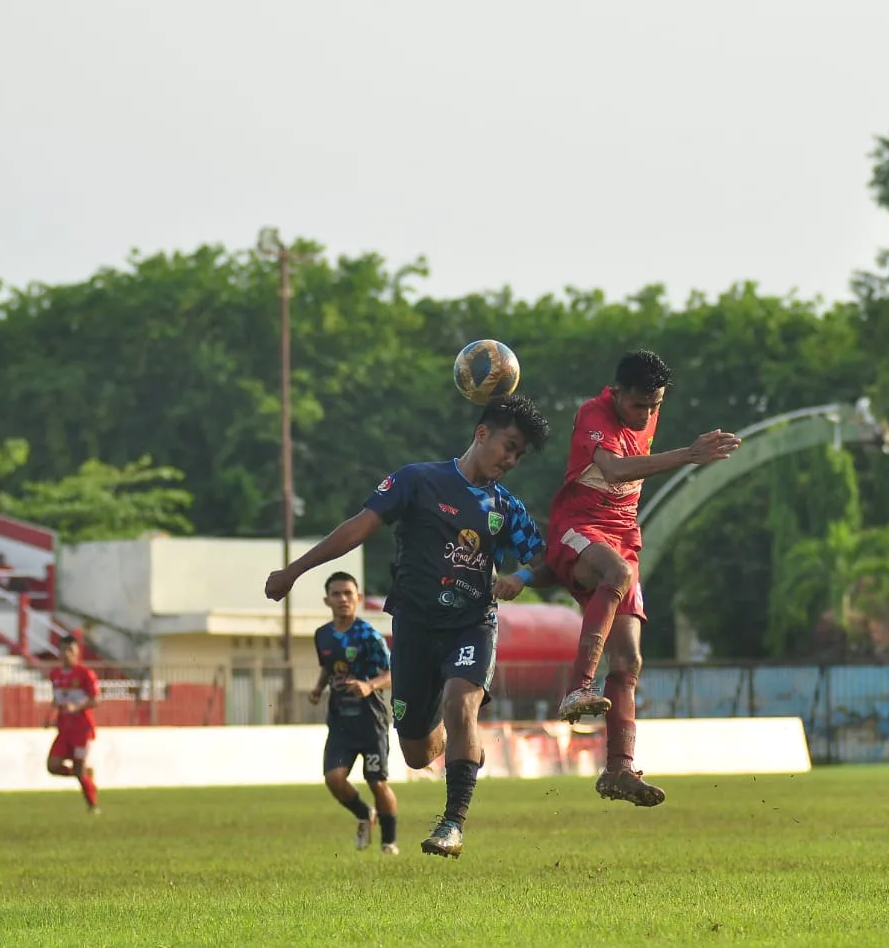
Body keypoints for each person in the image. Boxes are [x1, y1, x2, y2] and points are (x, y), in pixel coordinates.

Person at [265, 394, 552, 859]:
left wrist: (522, 576)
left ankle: (452, 823)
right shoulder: (418, 481)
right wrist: (294, 571)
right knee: (418, 753)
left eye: (520, 454)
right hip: (415, 629)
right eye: (509, 446)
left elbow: (547, 561)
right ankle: (461, 743)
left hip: (471, 626)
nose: (512, 460)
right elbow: (358, 527)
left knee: (463, 702)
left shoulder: (507, 509)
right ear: (482, 434)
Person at [542, 350, 740, 807]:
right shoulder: (593, 413)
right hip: (578, 531)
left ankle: (618, 770)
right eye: (639, 406)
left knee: (630, 659)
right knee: (616, 570)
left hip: (623, 538)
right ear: (617, 394)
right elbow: (612, 469)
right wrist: (689, 456)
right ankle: (578, 687)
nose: (648, 415)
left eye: (656, 405)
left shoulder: (646, 407)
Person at [311, 571, 399, 855]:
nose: (343, 599)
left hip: (371, 720)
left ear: (358, 598)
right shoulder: (322, 635)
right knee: (334, 779)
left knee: (377, 781)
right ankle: (364, 814)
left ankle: (389, 842)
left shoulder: (368, 635)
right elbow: (329, 665)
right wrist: (317, 689)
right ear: (327, 600)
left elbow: (393, 673)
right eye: (336, 594)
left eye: (348, 593)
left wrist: (369, 685)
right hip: (340, 721)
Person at [46, 635, 101, 813]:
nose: (66, 654)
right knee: (52, 766)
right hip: (64, 729)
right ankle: (85, 775)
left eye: (70, 650)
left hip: (82, 729)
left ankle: (93, 806)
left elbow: (96, 699)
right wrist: (50, 716)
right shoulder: (55, 675)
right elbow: (57, 699)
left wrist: (77, 706)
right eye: (63, 650)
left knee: (79, 767)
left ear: (77, 653)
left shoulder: (86, 674)